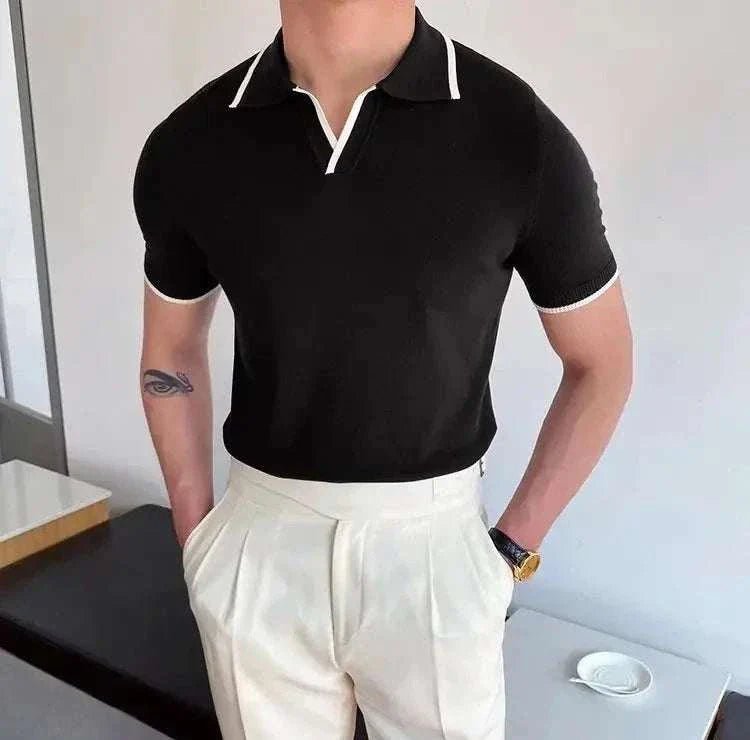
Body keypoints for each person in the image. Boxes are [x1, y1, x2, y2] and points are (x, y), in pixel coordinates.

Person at [133, 2, 632, 738]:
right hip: (258, 540)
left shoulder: (515, 134)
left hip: (434, 551)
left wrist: (510, 554)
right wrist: (196, 535)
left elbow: (601, 363)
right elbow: (170, 353)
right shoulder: (192, 143)